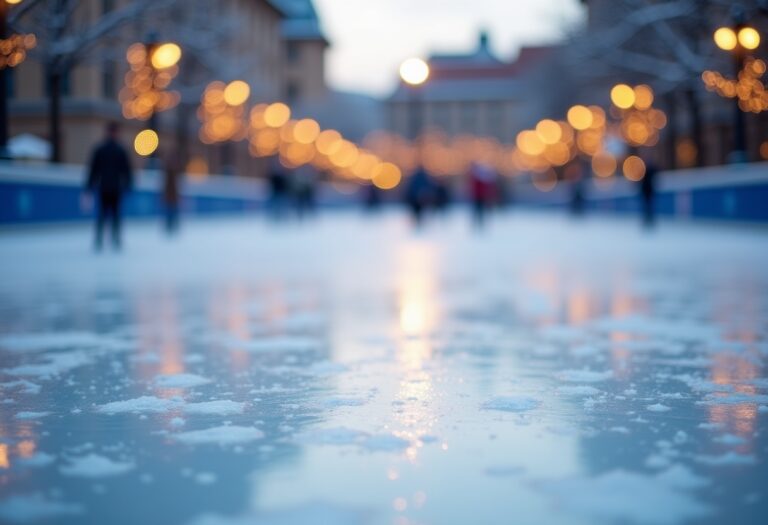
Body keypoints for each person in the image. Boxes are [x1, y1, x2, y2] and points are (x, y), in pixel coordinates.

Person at [85, 122, 133, 251]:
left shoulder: (118, 150)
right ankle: (101, 239)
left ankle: (114, 238)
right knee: (103, 214)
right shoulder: (103, 149)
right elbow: (94, 169)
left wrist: (128, 184)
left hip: (114, 188)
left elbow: (126, 170)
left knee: (114, 214)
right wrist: (89, 185)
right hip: (106, 187)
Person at [162, 150, 182, 235]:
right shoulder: (169, 172)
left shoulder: (173, 171)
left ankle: (172, 226)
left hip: (172, 196)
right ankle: (170, 226)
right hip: (170, 196)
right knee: (171, 212)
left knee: (172, 211)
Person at [640, 156, 658, 229]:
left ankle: (649, 221)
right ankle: (648, 220)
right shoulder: (646, 172)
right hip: (647, 192)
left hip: (648, 192)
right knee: (648, 207)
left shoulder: (648, 171)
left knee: (648, 207)